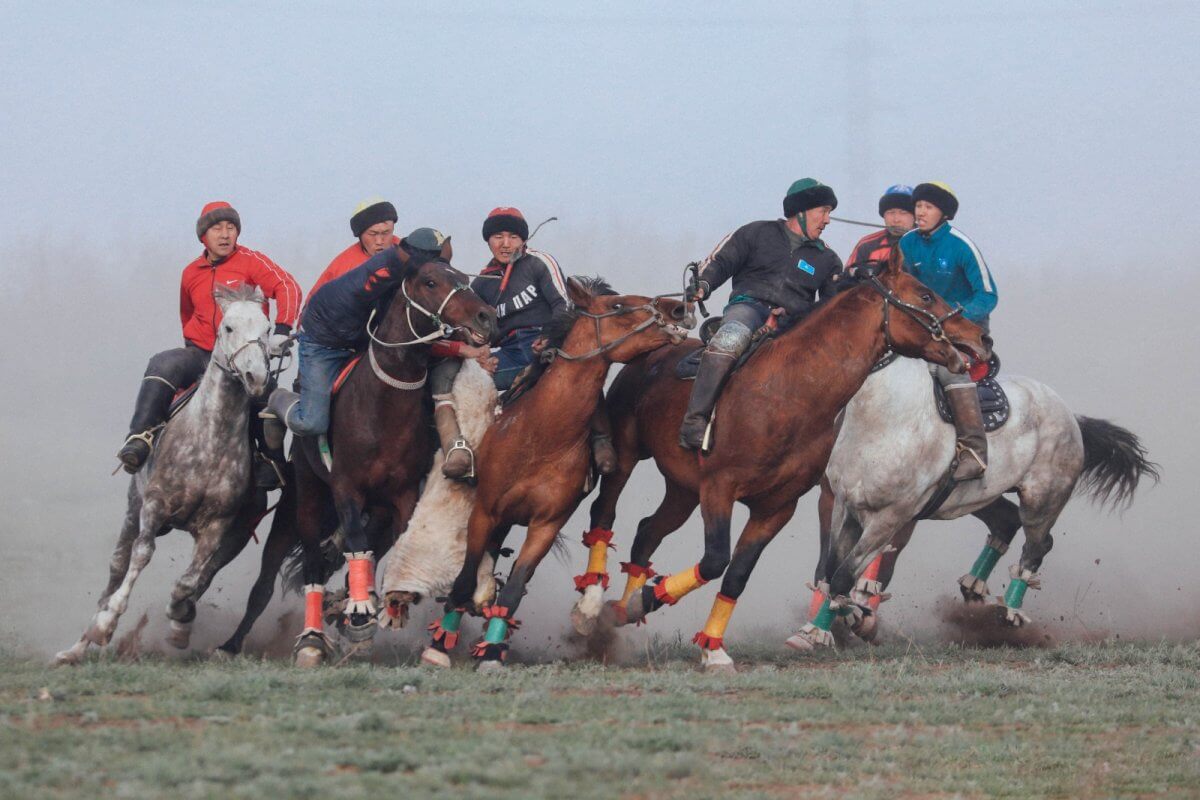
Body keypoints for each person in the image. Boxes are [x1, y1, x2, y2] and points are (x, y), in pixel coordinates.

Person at [116, 201, 301, 486]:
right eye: (217, 229)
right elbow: (187, 314)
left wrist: (283, 328)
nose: (225, 235)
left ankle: (269, 462)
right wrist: (193, 343)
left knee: (268, 395)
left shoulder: (252, 262)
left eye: (231, 228)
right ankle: (140, 437)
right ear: (204, 236)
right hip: (203, 353)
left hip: (245, 356)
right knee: (163, 363)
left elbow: (287, 286)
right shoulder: (191, 273)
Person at [679, 179, 845, 450]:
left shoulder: (828, 259)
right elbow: (720, 262)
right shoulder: (756, 233)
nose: (827, 220)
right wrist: (702, 287)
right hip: (749, 308)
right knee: (728, 341)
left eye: (829, 213)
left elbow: (830, 310)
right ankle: (694, 422)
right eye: (823, 211)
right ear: (800, 211)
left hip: (795, 326)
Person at [264, 228, 452, 441]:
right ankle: (278, 399)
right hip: (325, 343)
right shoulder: (379, 275)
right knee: (311, 423)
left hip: (362, 337)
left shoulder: (403, 264)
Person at [899, 181, 998, 480]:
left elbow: (988, 295)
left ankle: (973, 451)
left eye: (928, 207)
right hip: (923, 328)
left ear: (943, 213)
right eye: (917, 206)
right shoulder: (907, 243)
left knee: (950, 370)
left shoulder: (961, 245)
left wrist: (952, 315)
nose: (920, 212)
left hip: (964, 331)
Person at [307, 198, 401, 301]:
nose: (379, 241)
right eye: (372, 234)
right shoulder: (342, 266)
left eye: (385, 233)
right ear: (360, 235)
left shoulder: (409, 257)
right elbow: (313, 306)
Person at [846, 185, 915, 273]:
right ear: (883, 215)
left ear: (915, 216)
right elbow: (846, 280)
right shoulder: (867, 245)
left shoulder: (928, 243)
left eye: (903, 213)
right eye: (891, 212)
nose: (896, 219)